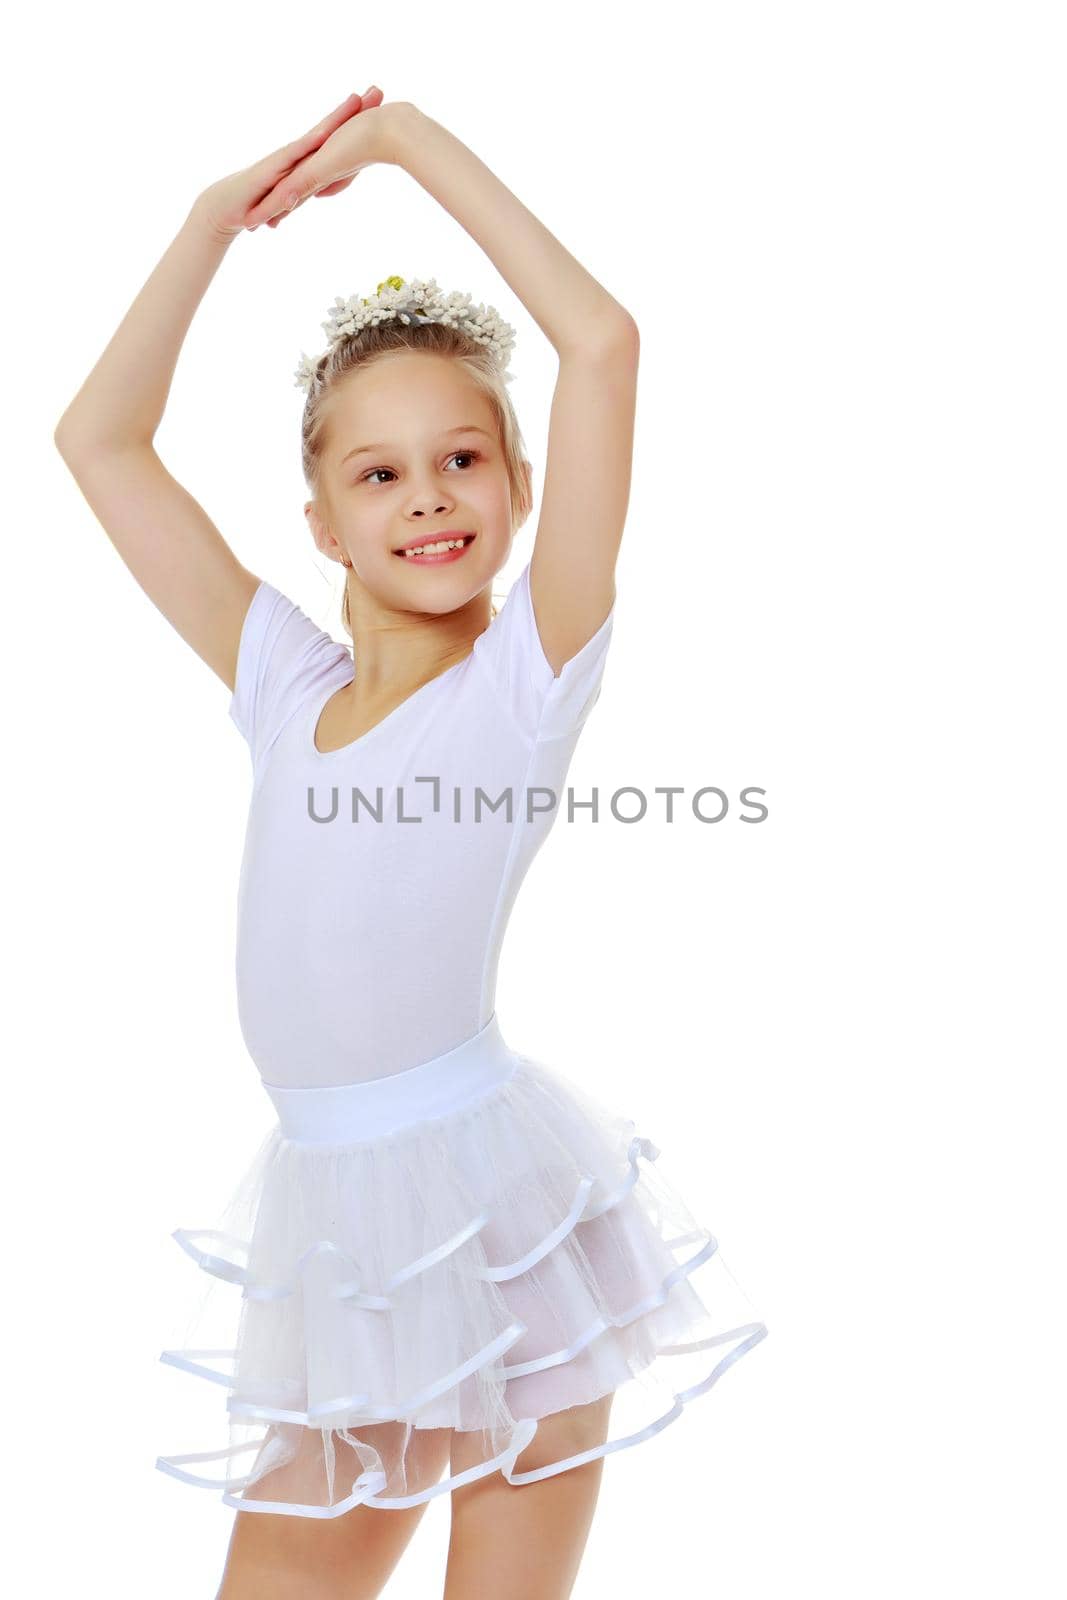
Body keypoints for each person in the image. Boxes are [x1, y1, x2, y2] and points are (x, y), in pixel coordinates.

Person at [54, 89, 767, 1600]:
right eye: (379, 472)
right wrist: (205, 226)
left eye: (465, 461)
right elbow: (99, 441)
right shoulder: (282, 684)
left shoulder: (525, 685)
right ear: (317, 517)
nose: (430, 495)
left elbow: (604, 347)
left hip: (494, 1219)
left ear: (517, 492)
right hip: (351, 1227)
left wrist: (405, 146)